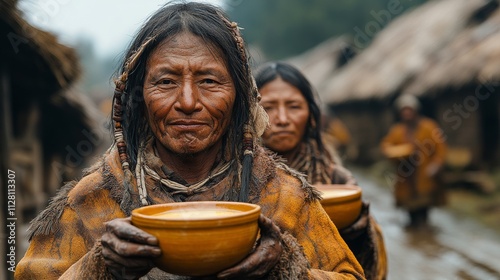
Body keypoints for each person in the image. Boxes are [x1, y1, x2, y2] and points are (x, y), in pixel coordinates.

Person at [15, 3, 365, 280]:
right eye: (165, 81)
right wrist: (99, 269)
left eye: (210, 81)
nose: (187, 101)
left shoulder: (283, 196)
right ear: (139, 96)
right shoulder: (93, 199)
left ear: (239, 97)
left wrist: (286, 269)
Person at [255, 62, 387, 280]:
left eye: (294, 106)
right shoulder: (236, 178)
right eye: (268, 107)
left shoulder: (337, 179)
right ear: (250, 114)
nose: (282, 119)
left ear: (312, 117)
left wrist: (357, 226)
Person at [380, 94, 447, 229]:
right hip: (406, 177)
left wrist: (435, 165)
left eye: (409, 110)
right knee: (410, 211)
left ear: (416, 110)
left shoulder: (429, 127)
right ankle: (414, 230)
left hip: (424, 175)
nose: (407, 113)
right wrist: (397, 153)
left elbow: (441, 149)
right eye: (404, 110)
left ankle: (424, 231)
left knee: (424, 208)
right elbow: (386, 147)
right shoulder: (397, 131)